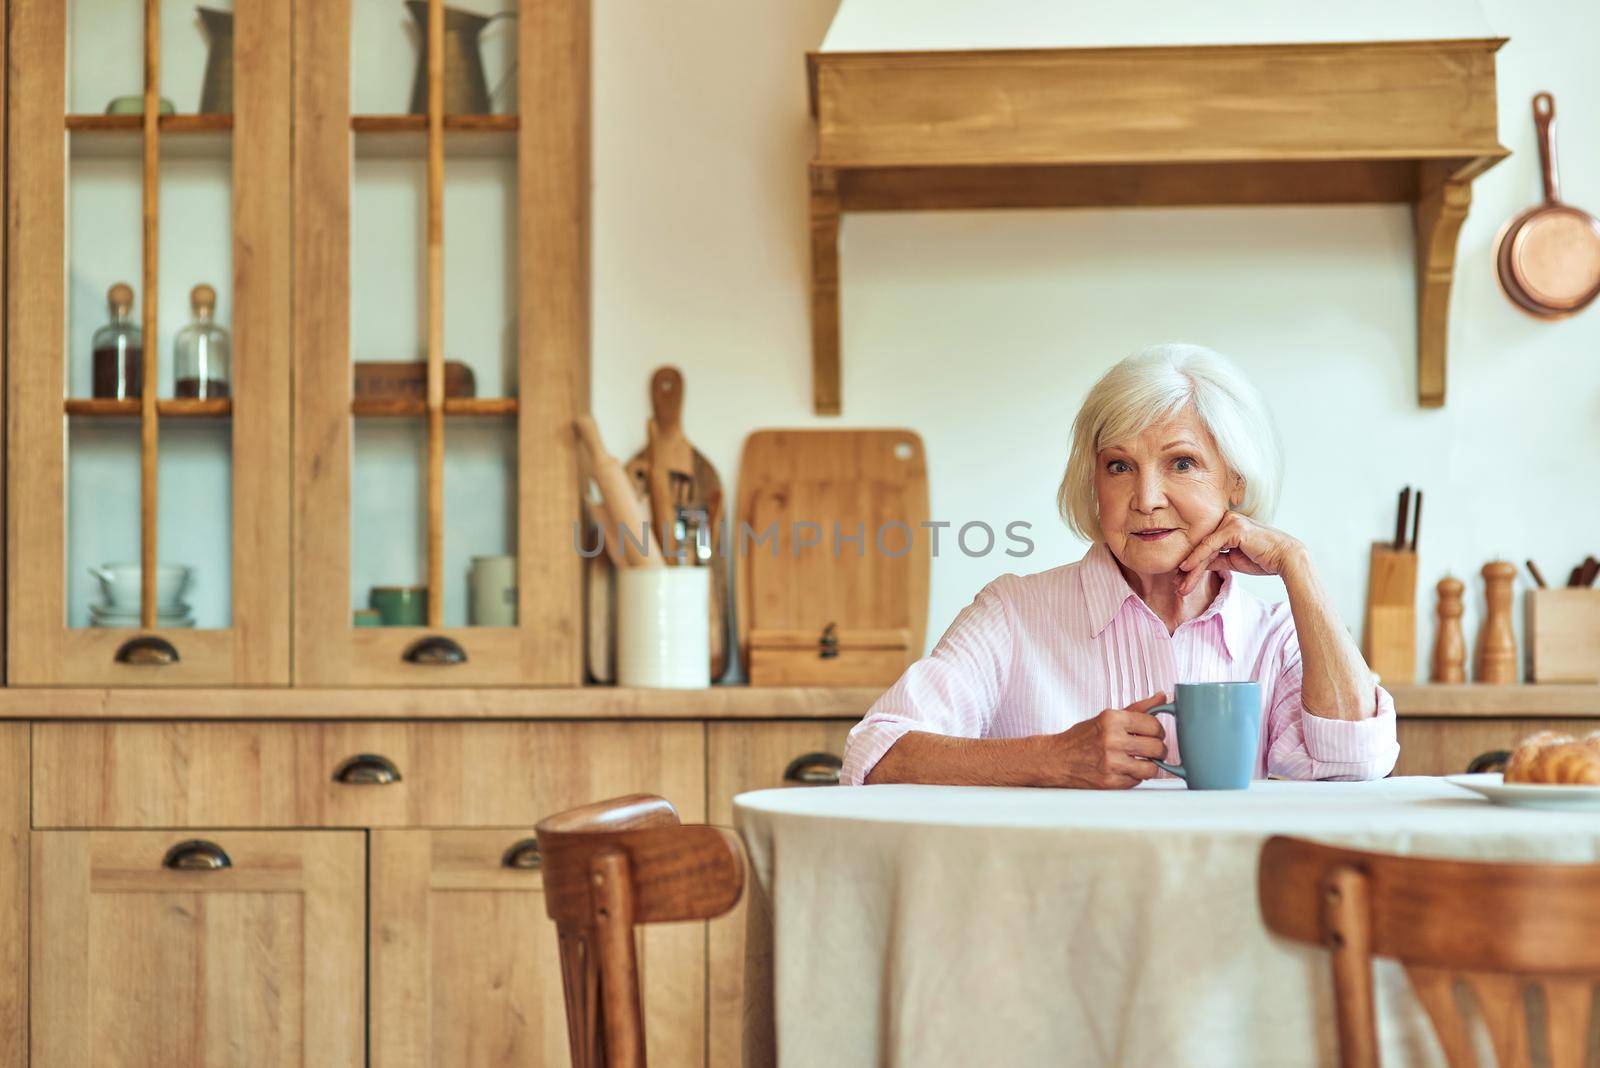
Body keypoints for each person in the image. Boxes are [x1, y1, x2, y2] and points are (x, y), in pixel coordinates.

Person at [842, 343, 1399, 788]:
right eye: (1119, 467)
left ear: (1235, 482)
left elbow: (1356, 760)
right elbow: (876, 752)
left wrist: (1297, 564)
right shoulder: (1013, 612)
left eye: (1182, 463)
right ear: (1093, 483)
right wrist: (1050, 758)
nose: (1147, 498)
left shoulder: (1277, 637)